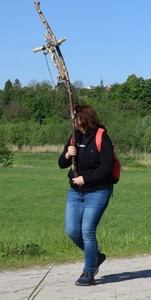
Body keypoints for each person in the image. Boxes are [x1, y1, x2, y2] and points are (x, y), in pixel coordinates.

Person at [58, 104, 114, 286]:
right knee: (72, 231)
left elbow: (107, 168)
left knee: (87, 231)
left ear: (84, 118)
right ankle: (96, 256)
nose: (72, 121)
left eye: (75, 117)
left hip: (98, 190)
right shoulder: (74, 137)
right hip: (75, 191)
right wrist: (67, 154)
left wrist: (86, 178)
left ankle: (88, 272)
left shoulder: (101, 137)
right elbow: (61, 164)